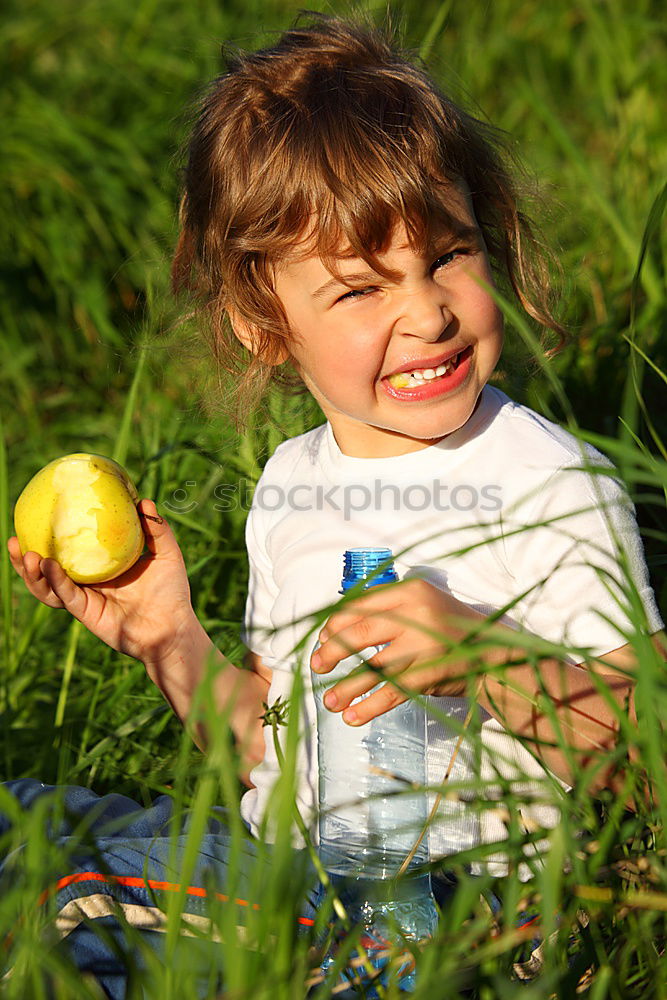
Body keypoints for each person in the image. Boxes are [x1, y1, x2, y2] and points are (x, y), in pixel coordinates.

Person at [5, 11, 665, 997]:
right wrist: (167, 639)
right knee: (21, 818)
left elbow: (643, 751)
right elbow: (275, 760)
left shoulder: (549, 481)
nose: (428, 310)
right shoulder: (289, 488)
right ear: (263, 322)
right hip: (299, 872)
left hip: (460, 909)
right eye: (362, 288)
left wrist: (492, 657)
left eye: (447, 254)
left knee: (66, 894)